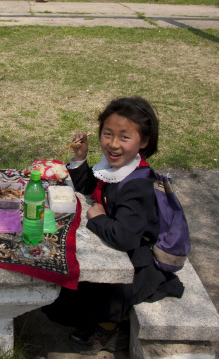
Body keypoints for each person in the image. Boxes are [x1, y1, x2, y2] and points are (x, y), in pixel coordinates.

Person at [43, 97, 184, 355]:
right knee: (59, 296)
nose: (113, 144)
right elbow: (91, 189)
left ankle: (110, 324)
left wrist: (98, 219)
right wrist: (80, 158)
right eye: (107, 134)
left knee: (80, 304)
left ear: (144, 141)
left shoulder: (137, 184)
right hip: (122, 245)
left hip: (139, 261)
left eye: (124, 137)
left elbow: (125, 237)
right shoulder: (116, 168)